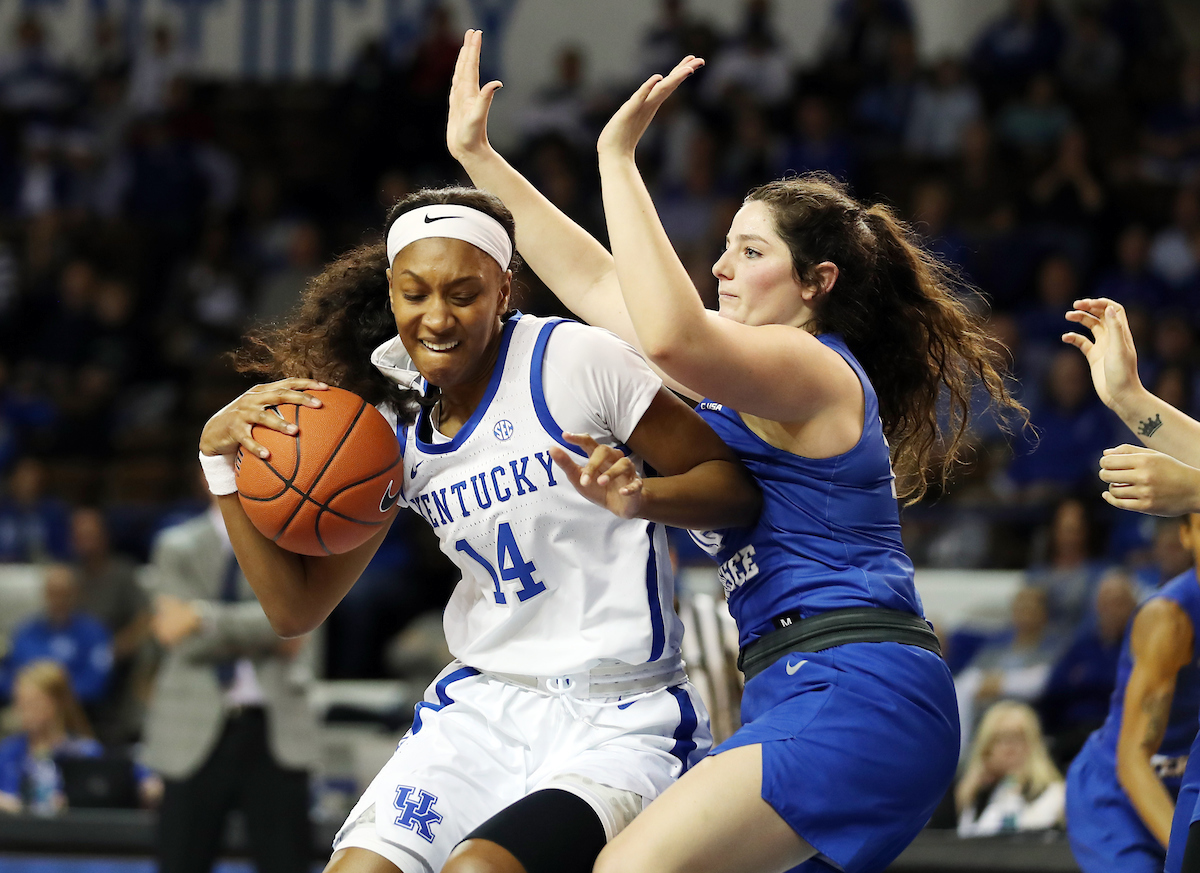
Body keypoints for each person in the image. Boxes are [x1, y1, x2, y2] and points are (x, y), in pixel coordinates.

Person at [446, 30, 1025, 873]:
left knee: (629, 869)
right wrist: (480, 159)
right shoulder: (752, 382)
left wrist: (617, 159)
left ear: (815, 283)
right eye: (724, 246)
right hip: (801, 686)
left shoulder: (815, 367)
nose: (721, 267)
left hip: (855, 686)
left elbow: (672, 336)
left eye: (750, 252)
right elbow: (603, 285)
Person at [199, 182, 759, 873]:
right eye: (415, 293)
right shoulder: (391, 423)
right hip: (484, 707)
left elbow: (734, 488)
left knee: (479, 870)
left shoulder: (573, 360)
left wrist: (641, 495)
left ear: (505, 289)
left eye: (463, 293)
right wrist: (219, 463)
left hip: (617, 714)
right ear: (392, 291)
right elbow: (295, 608)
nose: (436, 317)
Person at [141, 496, 320, 873]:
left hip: (276, 729)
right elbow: (177, 637)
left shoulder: (296, 539)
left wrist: (201, 616)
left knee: (286, 862)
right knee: (180, 861)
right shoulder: (175, 545)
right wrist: (267, 623)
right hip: (191, 728)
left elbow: (296, 631)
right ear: (207, 476)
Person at [1065, 514, 1200, 873]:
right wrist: (1187, 856)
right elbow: (1133, 759)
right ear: (1186, 535)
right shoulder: (1169, 620)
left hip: (1189, 782)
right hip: (1121, 789)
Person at [0, 659, 160, 815]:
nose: (25, 712)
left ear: (57, 703)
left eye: (33, 703)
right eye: (20, 703)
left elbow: (119, 783)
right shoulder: (7, 752)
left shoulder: (84, 752)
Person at [0, 563, 112, 707]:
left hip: (75, 711)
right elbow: (7, 674)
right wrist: (28, 694)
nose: (58, 600)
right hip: (23, 708)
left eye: (64, 593)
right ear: (45, 594)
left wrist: (49, 697)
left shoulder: (94, 633)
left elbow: (95, 683)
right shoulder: (25, 631)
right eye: (52, 593)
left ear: (75, 594)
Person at [956, 700, 1066, 837]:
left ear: (1033, 744)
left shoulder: (1054, 793)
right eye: (1000, 739)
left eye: (1018, 737)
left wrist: (1012, 789)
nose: (1010, 748)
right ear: (986, 747)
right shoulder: (974, 795)